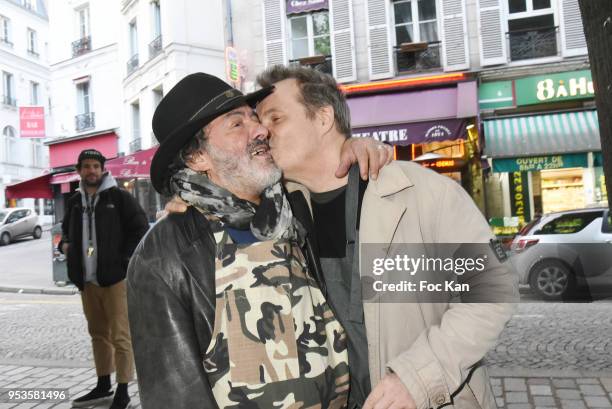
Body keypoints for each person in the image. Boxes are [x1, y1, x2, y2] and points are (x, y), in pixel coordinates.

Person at [253, 65, 519, 409]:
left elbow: (491, 291)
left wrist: (418, 378)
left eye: (275, 119)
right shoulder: (278, 213)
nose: (262, 132)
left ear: (322, 119)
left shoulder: (419, 194)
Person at [127, 73, 391, 409]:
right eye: (237, 124)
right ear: (197, 159)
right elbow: (173, 395)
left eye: (255, 117)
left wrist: (353, 146)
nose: (261, 130)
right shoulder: (166, 253)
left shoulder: (293, 210)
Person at [59, 149, 148, 409]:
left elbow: (140, 228)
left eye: (96, 166)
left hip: (115, 279)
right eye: (86, 166)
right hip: (87, 280)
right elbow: (65, 230)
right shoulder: (75, 201)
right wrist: (65, 244)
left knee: (121, 336)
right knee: (98, 334)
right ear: (79, 171)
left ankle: (123, 390)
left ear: (102, 169)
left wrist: (124, 261)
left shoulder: (119, 198)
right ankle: (102, 384)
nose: (91, 171)